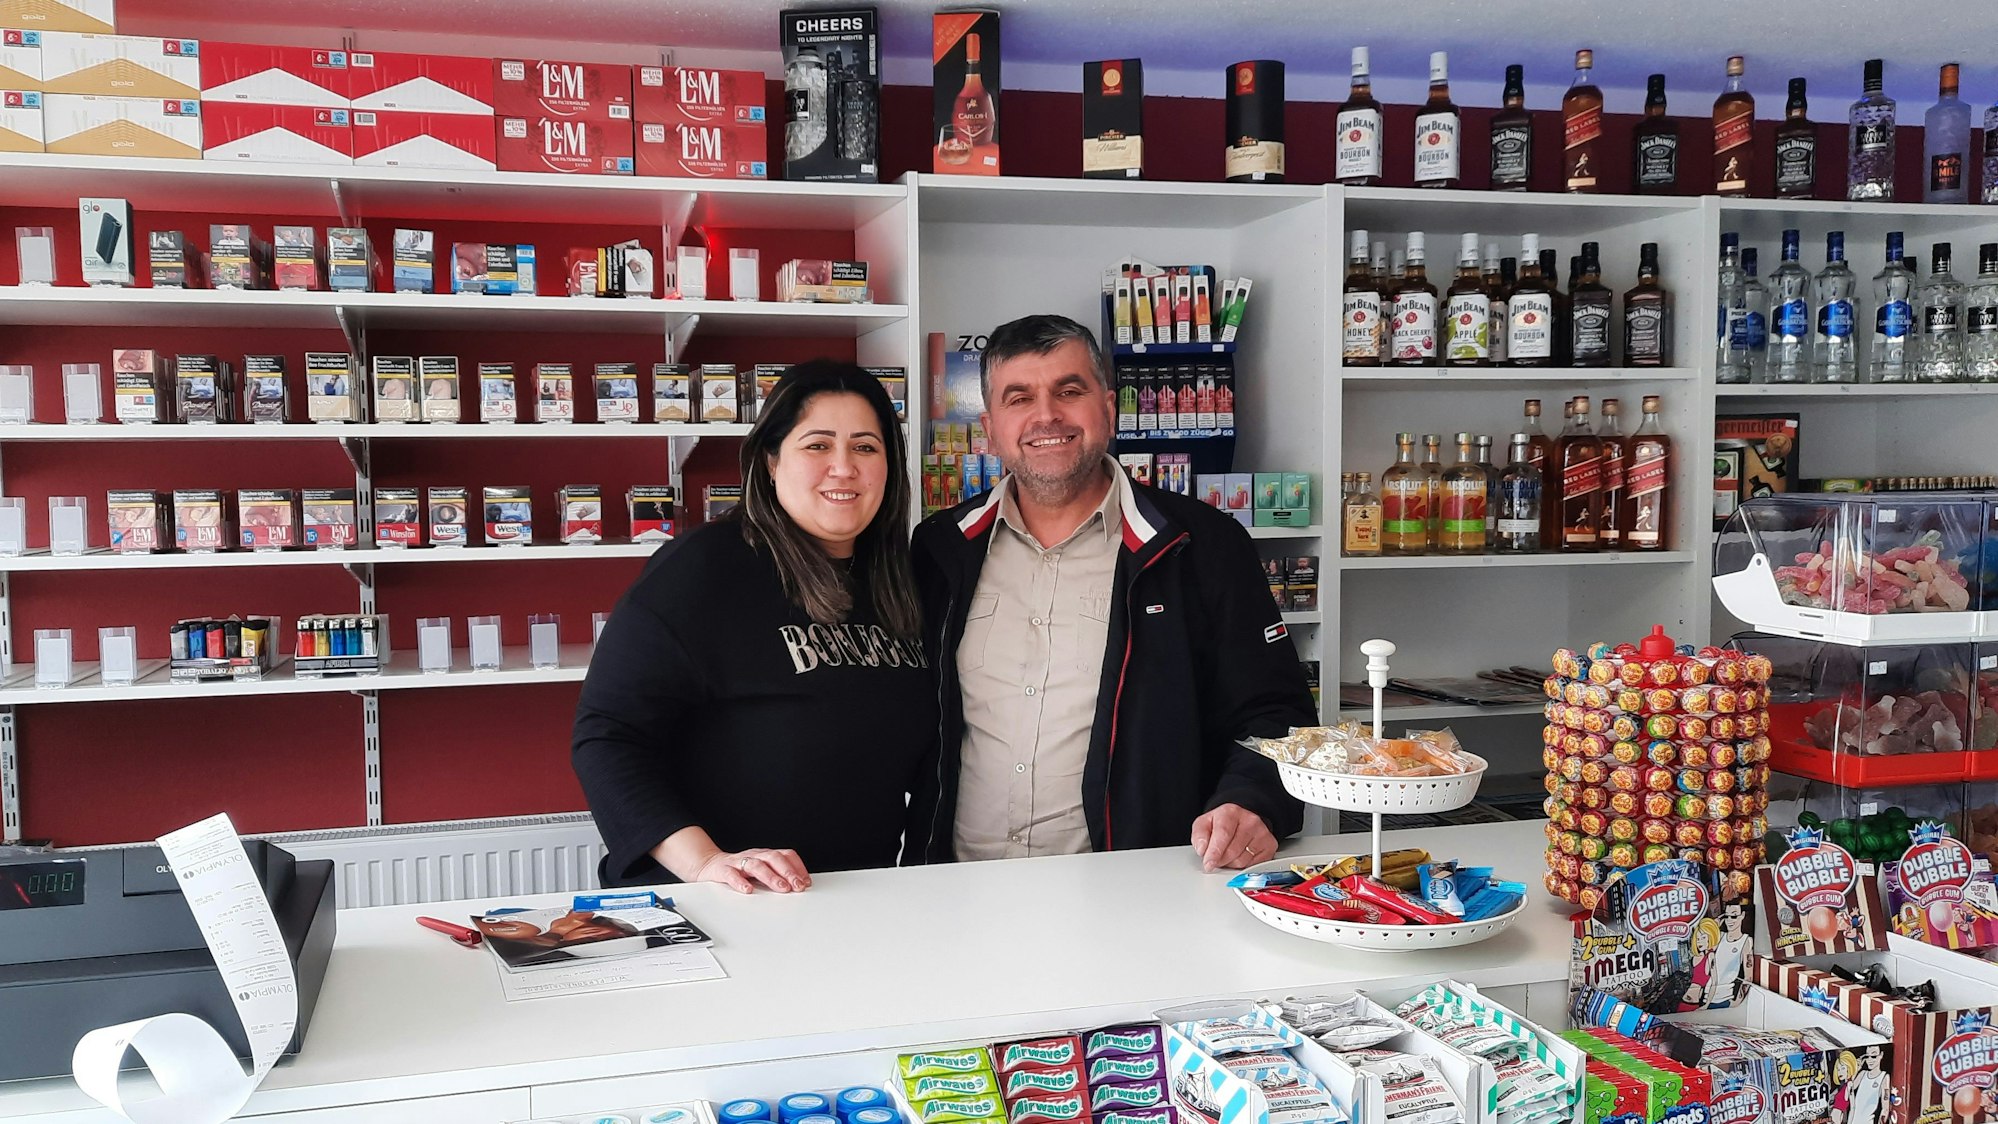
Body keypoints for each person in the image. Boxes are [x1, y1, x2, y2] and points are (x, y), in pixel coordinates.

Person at [908, 314, 1310, 871]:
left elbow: (1275, 713)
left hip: (1133, 889)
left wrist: (1252, 799)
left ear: (1109, 407)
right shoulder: (939, 547)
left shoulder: (1202, 546)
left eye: (1069, 391)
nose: (1046, 415)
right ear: (990, 429)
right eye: (1019, 398)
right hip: (957, 887)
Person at [574, 360, 933, 892]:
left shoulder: (902, 581)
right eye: (817, 445)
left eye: (865, 447)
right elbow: (607, 735)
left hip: (851, 902)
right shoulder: (704, 568)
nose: (843, 467)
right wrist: (705, 863)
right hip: (716, 901)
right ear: (770, 460)